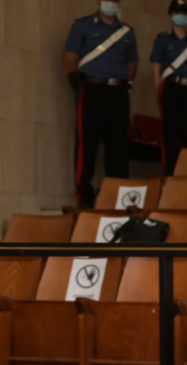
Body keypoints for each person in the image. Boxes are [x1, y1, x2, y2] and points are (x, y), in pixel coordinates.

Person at [64, 0, 138, 209]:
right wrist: (74, 80)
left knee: (118, 145)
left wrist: (124, 83)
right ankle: (85, 196)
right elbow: (69, 58)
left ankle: (117, 196)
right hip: (92, 89)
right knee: (87, 143)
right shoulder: (82, 26)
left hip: (118, 91)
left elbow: (132, 64)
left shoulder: (127, 32)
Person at [150, 0, 187, 175]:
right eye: (177, 12)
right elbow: (156, 70)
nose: (180, 15)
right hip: (171, 89)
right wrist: (159, 93)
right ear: (171, 15)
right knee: (170, 134)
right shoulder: (162, 39)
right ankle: (170, 175)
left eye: (184, 12)